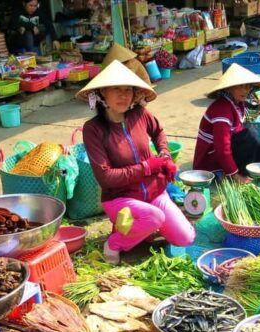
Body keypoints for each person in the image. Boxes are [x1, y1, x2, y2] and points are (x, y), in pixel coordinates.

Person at [78, 61, 194, 264]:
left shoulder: (140, 114)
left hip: (155, 192)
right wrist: (148, 166)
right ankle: (114, 242)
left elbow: (159, 132)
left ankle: (142, 229)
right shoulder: (93, 129)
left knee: (185, 238)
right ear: (103, 92)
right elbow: (106, 178)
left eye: (128, 90)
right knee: (154, 217)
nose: (123, 95)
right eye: (116, 89)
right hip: (120, 198)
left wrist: (165, 155)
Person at [193, 64, 260, 183]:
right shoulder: (221, 109)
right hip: (210, 163)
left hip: (228, 154)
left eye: (247, 87)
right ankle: (232, 175)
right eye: (240, 87)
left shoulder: (237, 104)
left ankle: (246, 175)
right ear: (229, 88)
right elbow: (222, 148)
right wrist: (235, 176)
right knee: (249, 134)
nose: (245, 91)